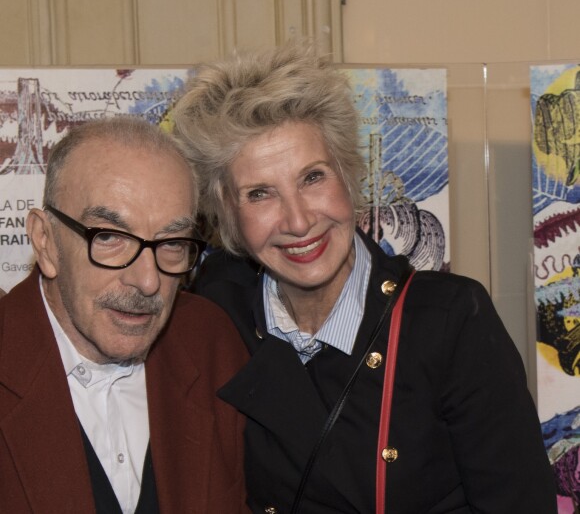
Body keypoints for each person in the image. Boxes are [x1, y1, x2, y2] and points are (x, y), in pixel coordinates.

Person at [173, 42, 558, 514]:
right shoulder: (218, 310)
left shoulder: (449, 322)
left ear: (348, 177)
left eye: (312, 178)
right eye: (260, 193)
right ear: (227, 215)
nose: (297, 220)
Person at [0, 117, 249, 513]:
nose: (148, 281)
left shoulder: (211, 343)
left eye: (172, 243)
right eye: (110, 238)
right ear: (45, 242)